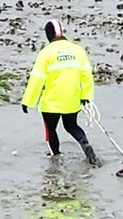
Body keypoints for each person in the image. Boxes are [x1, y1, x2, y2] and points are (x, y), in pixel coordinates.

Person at [20, 19, 99, 165]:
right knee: (71, 126)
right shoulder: (78, 50)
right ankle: (85, 145)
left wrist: (28, 101)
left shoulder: (46, 53)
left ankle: (55, 161)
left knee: (51, 129)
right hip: (72, 99)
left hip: (51, 102)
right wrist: (86, 97)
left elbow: (36, 79)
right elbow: (86, 75)